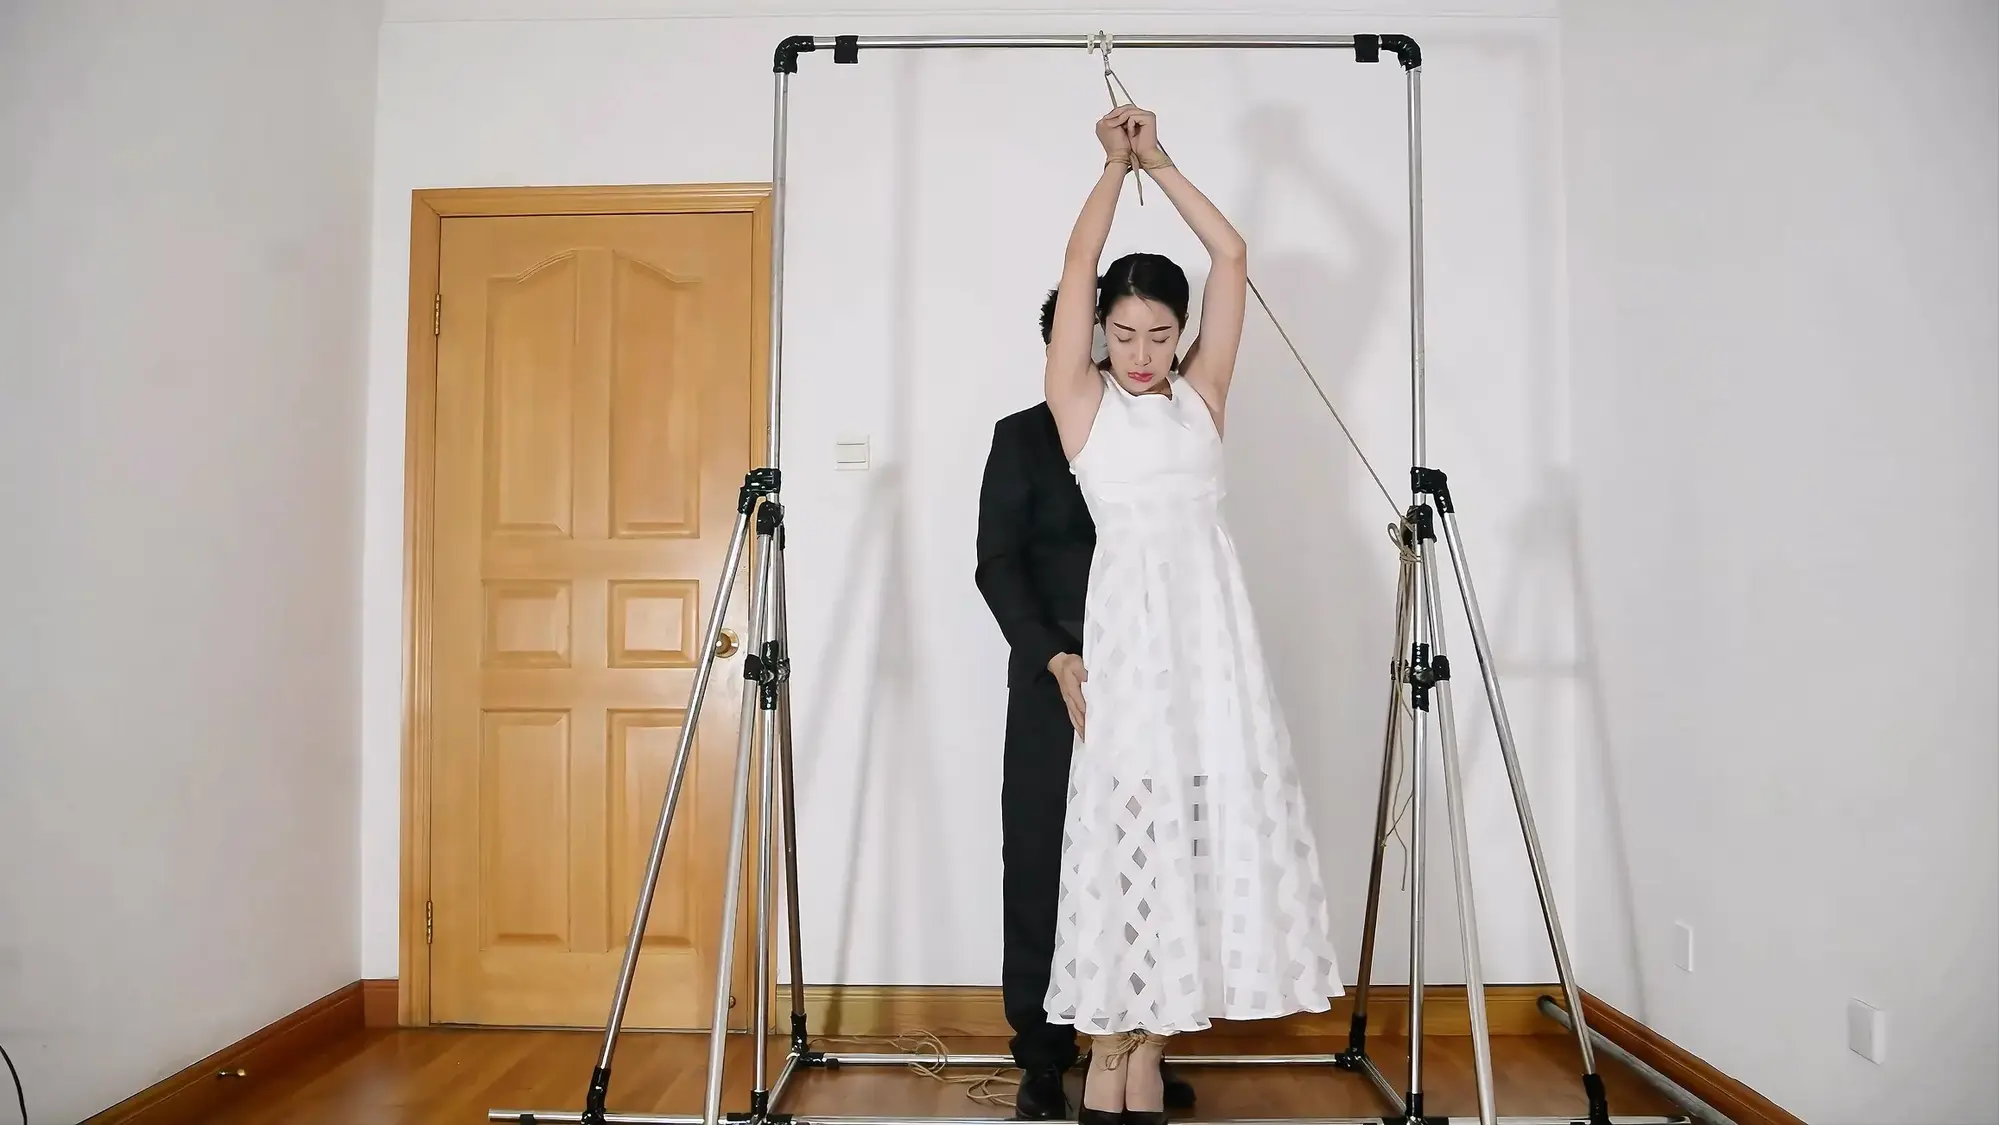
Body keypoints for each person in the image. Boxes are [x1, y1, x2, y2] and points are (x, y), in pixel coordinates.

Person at [1039, 104, 1345, 1122]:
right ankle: (1111, 1049)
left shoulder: (1201, 398)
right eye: (1123, 334)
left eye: (1159, 334)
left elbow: (1231, 253)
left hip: (1211, 647)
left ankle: (1149, 1048)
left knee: (1196, 840)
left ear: (1182, 336)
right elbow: (1079, 261)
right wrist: (1109, 169)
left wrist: (1160, 164)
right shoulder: (1080, 404)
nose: (1140, 352)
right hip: (1131, 645)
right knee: (1127, 836)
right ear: (1098, 333)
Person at [976, 291, 1197, 1119]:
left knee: (1150, 861)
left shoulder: (1164, 431)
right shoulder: (1021, 436)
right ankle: (1042, 1053)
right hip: (1055, 678)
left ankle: (1139, 1042)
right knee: (1040, 859)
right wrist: (1054, 655)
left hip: (1154, 680)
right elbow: (997, 561)